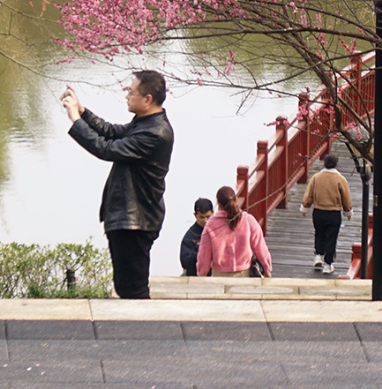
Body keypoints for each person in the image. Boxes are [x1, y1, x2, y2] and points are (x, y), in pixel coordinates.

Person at [61, 71, 174, 300]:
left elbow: (106, 149)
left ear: (147, 99)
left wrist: (75, 120)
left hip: (135, 221)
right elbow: (112, 132)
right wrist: (82, 112)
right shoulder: (145, 123)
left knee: (132, 290)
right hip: (131, 219)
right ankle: (136, 332)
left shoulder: (155, 133)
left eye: (131, 92)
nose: (127, 96)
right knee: (126, 287)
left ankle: (141, 334)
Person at [196, 185, 272, 278]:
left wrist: (201, 273)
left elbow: (204, 255)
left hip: (219, 276)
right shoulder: (248, 220)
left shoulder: (211, 224)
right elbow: (260, 248)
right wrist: (267, 269)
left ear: (218, 203)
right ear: (236, 200)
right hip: (244, 274)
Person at [300, 153, 353, 274]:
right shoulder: (340, 179)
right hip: (333, 213)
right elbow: (346, 197)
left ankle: (318, 255)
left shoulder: (316, 177)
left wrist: (305, 207)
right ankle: (328, 264)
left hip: (318, 211)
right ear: (336, 164)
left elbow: (309, 195)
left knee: (319, 233)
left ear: (324, 163)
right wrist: (348, 211)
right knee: (331, 238)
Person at [180, 197, 214, 276]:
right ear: (195, 215)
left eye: (208, 217)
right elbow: (185, 261)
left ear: (213, 213)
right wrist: (203, 253)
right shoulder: (190, 236)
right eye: (202, 217)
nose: (205, 221)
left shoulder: (220, 231)